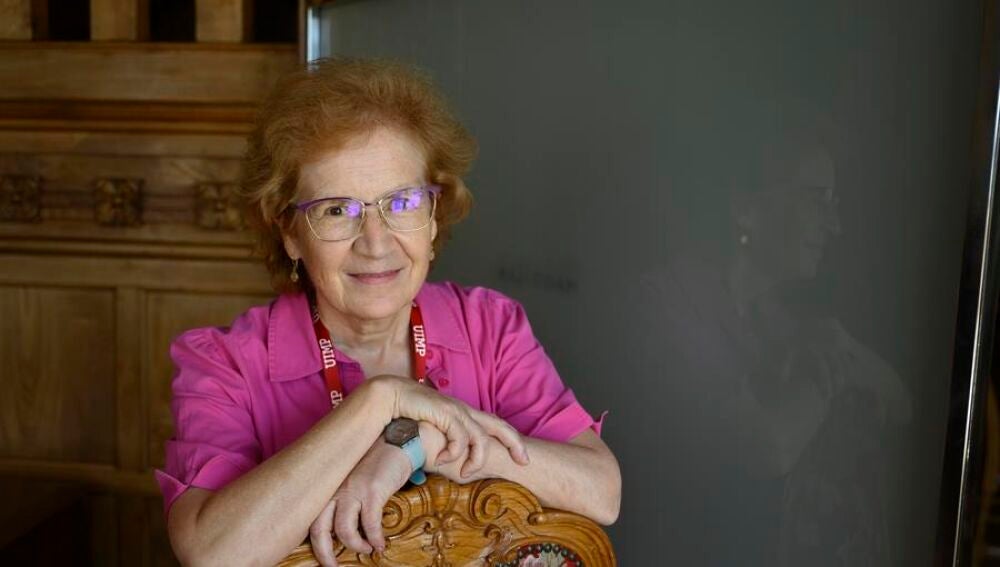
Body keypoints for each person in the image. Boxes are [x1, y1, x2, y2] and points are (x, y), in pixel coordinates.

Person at [155, 58, 620, 566]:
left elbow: (601, 492)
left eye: (402, 203)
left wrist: (423, 441)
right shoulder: (223, 363)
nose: (375, 244)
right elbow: (213, 556)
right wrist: (381, 400)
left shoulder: (489, 327)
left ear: (433, 217)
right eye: (337, 210)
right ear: (289, 234)